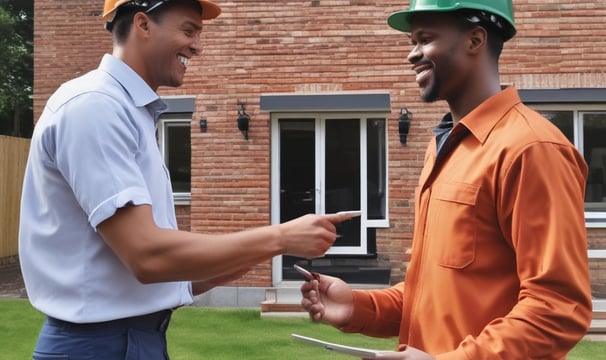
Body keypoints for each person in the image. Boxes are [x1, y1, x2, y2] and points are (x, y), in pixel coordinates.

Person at [18, 1, 355, 359]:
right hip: (100, 346)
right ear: (143, 24)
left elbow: (141, 275)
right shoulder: (95, 107)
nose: (198, 45)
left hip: (128, 340)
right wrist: (281, 237)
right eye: (188, 30)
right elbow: (147, 257)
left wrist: (234, 261)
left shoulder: (126, 111)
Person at [300, 1, 593, 359]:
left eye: (424, 39)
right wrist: (358, 307)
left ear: (475, 40)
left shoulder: (531, 149)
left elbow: (557, 308)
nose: (412, 54)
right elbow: (432, 294)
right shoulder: (443, 148)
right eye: (412, 41)